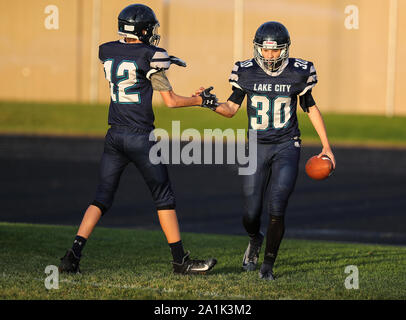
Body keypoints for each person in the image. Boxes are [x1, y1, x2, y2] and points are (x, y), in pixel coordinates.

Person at [59, 4, 219, 275]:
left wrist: (160, 61)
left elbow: (130, 56)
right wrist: (200, 101)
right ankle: (180, 260)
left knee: (101, 197)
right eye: (150, 29)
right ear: (143, 30)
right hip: (140, 137)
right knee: (163, 196)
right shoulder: (152, 56)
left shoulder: (107, 50)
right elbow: (170, 102)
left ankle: (72, 255)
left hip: (114, 136)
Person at [197, 21, 336, 280]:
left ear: (285, 50)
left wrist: (326, 145)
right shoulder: (246, 72)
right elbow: (230, 109)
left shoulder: (299, 71)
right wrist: (208, 103)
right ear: (257, 48)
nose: (270, 55)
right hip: (257, 145)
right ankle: (254, 239)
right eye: (266, 50)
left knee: (277, 204)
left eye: (275, 50)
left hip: (287, 144)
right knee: (250, 213)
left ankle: (267, 266)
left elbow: (310, 107)